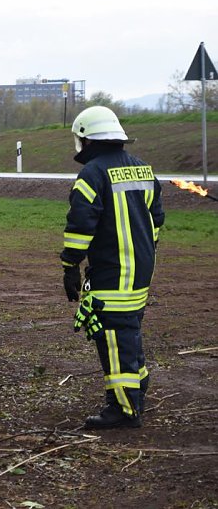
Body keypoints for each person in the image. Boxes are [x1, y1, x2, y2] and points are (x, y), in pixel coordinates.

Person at [61, 105, 165, 429]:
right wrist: (146, 250)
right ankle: (138, 387)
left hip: (112, 270)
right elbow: (156, 219)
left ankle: (124, 409)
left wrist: (70, 265)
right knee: (129, 328)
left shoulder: (92, 174)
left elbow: (81, 225)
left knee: (112, 335)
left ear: (87, 140)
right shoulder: (143, 169)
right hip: (140, 270)